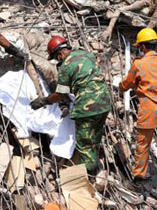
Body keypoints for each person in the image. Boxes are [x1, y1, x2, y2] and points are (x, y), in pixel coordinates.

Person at [30, 36, 112, 174]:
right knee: (94, 139)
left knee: (84, 145)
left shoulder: (65, 66)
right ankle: (94, 169)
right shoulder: (87, 54)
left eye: (57, 58)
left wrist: (43, 101)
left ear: (60, 54)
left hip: (87, 107)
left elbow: (61, 94)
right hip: (104, 102)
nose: (58, 60)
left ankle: (85, 177)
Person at [114, 28, 157, 190]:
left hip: (149, 110)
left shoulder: (138, 64)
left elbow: (126, 85)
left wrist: (119, 86)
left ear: (142, 47)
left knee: (143, 145)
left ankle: (139, 178)